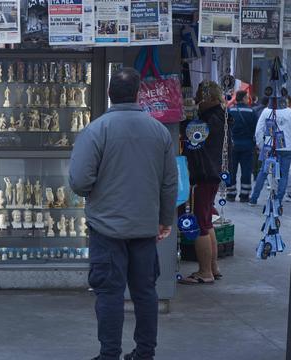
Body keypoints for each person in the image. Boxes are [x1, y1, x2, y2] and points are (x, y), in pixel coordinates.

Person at [69, 68, 177, 360]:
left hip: (106, 228)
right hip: (145, 228)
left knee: (109, 293)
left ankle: (109, 354)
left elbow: (79, 181)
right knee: (145, 292)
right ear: (138, 94)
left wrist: (96, 192)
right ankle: (145, 353)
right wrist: (165, 220)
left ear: (109, 94)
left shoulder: (96, 130)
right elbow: (170, 182)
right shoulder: (159, 132)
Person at [179, 81, 226, 285]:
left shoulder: (209, 119)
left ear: (210, 97)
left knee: (199, 224)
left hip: (203, 176)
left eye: (200, 95)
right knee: (206, 221)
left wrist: (179, 116)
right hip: (211, 174)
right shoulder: (218, 116)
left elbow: (187, 130)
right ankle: (213, 267)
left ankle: (204, 271)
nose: (197, 99)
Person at [250, 97, 291, 205]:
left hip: (269, 146)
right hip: (286, 148)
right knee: (284, 174)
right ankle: (278, 199)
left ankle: (254, 199)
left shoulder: (266, 111)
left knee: (264, 172)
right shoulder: (289, 112)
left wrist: (261, 145)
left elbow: (258, 130)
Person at [226, 90, 258, 202]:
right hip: (247, 145)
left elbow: (226, 128)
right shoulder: (251, 112)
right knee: (246, 170)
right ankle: (244, 195)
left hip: (233, 145)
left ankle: (230, 193)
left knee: (231, 169)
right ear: (243, 98)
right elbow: (256, 129)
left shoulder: (230, 111)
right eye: (247, 97)